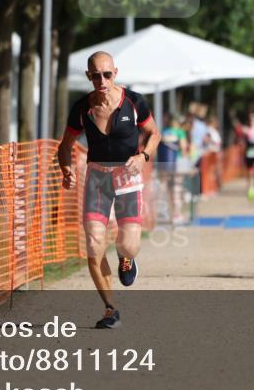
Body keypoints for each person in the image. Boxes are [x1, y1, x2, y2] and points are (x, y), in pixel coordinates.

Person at [58, 51, 161, 329]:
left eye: (106, 74)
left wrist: (143, 157)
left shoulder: (134, 101)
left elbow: (154, 133)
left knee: (128, 244)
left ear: (115, 73)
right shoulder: (82, 108)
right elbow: (65, 146)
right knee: (93, 244)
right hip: (97, 180)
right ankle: (110, 309)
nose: (101, 80)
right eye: (95, 75)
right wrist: (65, 169)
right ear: (88, 76)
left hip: (128, 178)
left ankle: (126, 259)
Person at [157, 114, 190, 225]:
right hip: (178, 162)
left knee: (164, 186)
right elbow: (183, 148)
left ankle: (160, 211)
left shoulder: (164, 131)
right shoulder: (180, 132)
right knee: (176, 188)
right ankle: (176, 214)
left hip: (164, 163)